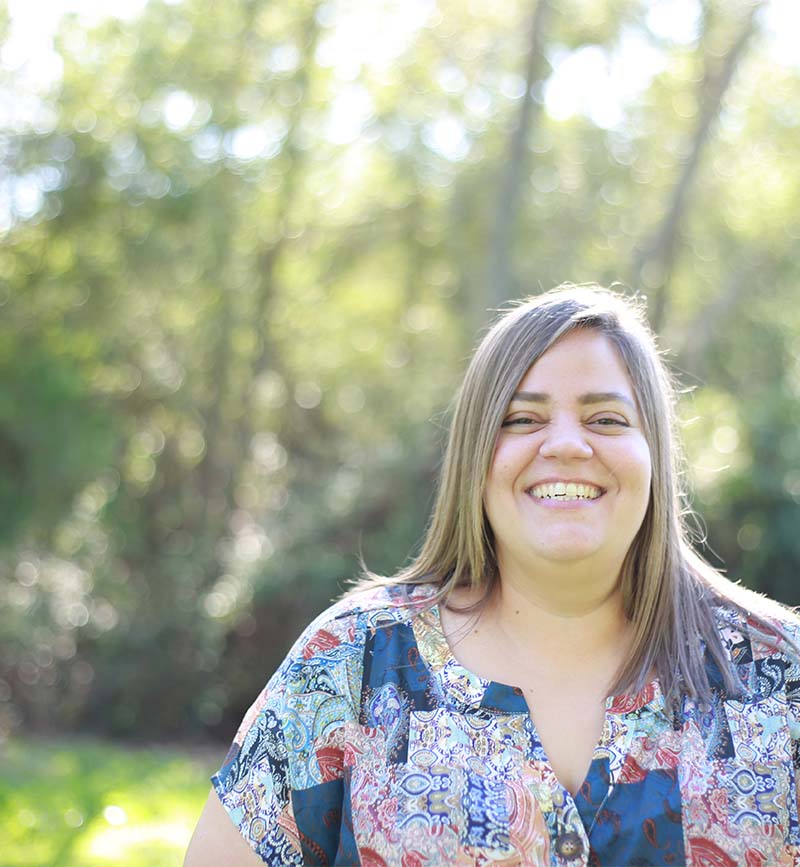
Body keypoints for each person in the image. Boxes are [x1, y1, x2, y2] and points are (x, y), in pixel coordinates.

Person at [184, 284, 800, 867]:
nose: (566, 445)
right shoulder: (350, 662)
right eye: (522, 419)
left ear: (655, 455)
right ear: (476, 458)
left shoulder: (783, 677)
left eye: (606, 419)